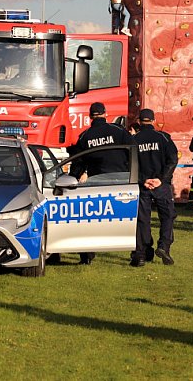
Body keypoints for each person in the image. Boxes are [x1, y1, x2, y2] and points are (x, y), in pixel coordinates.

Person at [69, 101, 135, 264]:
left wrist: (72, 178)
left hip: (97, 182)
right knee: (132, 218)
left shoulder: (85, 136)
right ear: (106, 114)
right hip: (122, 180)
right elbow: (134, 151)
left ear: (90, 116)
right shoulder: (119, 131)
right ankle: (138, 254)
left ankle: (87, 255)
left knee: (88, 220)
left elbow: (79, 161)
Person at [131, 109, 178, 267]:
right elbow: (172, 160)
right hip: (161, 186)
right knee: (168, 216)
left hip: (142, 186)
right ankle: (164, 246)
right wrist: (160, 179)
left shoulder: (134, 140)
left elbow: (129, 165)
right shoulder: (163, 138)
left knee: (143, 220)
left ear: (139, 121)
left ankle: (142, 254)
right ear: (153, 120)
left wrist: (144, 180)